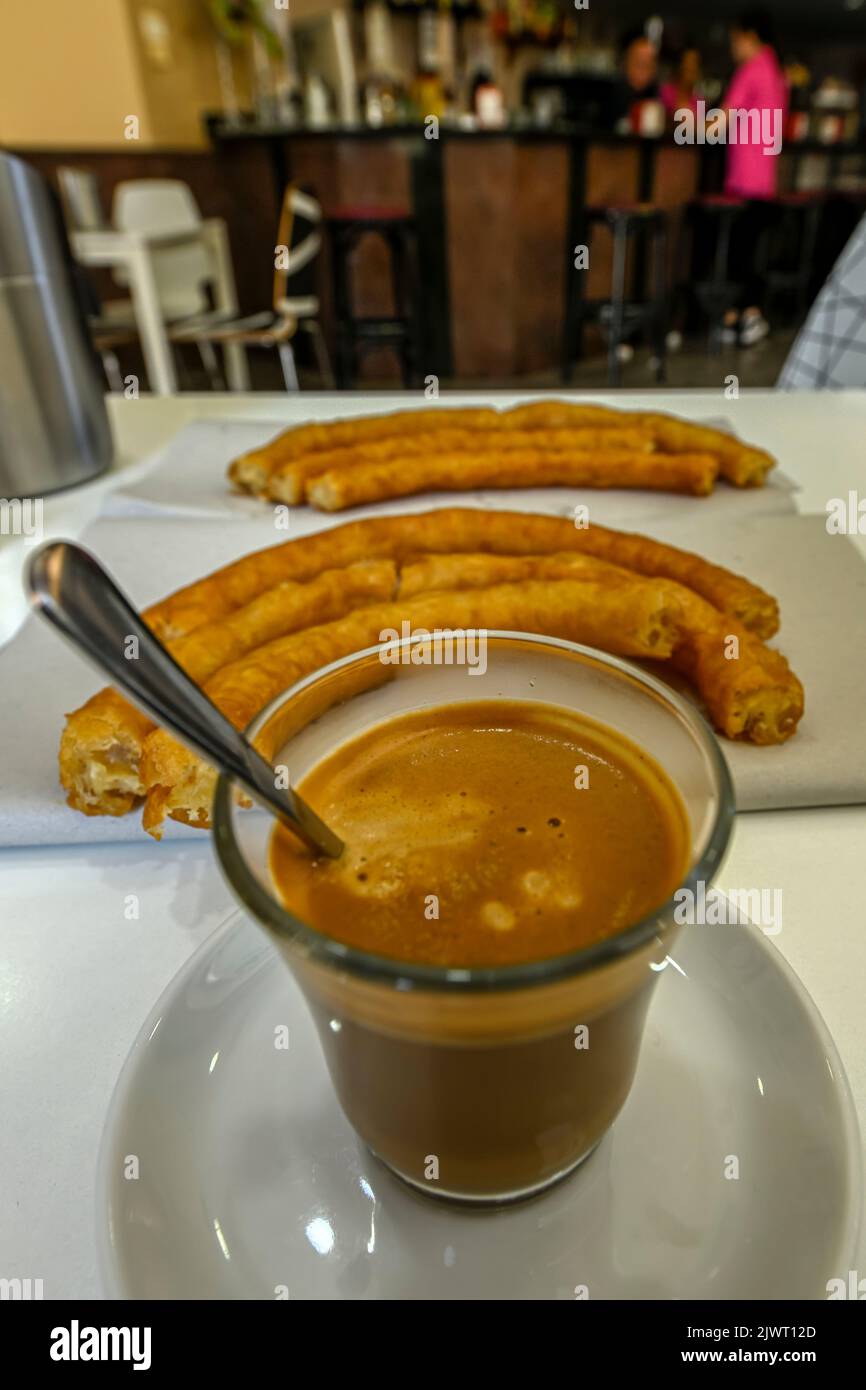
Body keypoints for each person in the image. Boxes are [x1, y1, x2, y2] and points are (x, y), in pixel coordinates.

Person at [722, 8, 789, 346]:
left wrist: (685, 120)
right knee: (749, 249)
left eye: (735, 40)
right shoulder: (776, 70)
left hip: (746, 179)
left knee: (739, 250)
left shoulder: (751, 70)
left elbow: (720, 122)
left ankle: (746, 315)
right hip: (767, 178)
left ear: (749, 36)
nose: (733, 47)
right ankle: (742, 315)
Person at [611, 29, 659, 127]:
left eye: (648, 65)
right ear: (626, 64)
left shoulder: (656, 98)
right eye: (638, 63)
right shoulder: (611, 96)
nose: (642, 72)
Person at [660, 46, 701, 120]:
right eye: (687, 63)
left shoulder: (699, 100)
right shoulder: (665, 92)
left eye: (694, 63)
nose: (691, 67)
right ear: (680, 66)